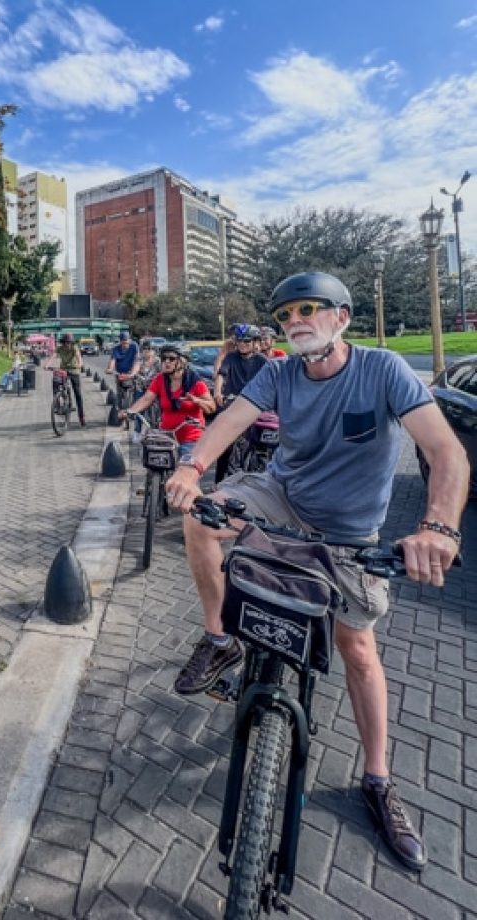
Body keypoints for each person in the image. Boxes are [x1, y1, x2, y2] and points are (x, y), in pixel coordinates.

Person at [164, 271, 469, 873]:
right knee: (201, 521)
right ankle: (219, 638)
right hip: (283, 502)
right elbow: (233, 420)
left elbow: (445, 451)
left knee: (357, 649)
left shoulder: (383, 370)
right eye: (285, 315)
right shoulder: (279, 372)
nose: (296, 320)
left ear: (341, 317)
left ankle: (379, 781)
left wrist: (437, 525)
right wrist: (192, 466)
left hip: (351, 534)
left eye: (309, 308)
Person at [120, 343, 215, 460]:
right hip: (166, 435)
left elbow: (211, 407)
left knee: (185, 472)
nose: (167, 362)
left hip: (191, 438)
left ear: (182, 361)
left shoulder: (195, 382)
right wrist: (129, 411)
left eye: (172, 359)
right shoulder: (160, 379)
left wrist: (197, 400)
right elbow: (146, 398)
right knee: (153, 465)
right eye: (164, 359)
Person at [212, 324, 268, 483]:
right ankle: (218, 482)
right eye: (240, 341)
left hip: (255, 406)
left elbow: (271, 381)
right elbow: (222, 374)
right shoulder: (231, 357)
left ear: (255, 342)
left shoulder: (261, 360)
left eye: (247, 341)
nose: (243, 344)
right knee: (225, 446)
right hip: (233, 404)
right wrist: (217, 392)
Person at [48, 333, 85, 426]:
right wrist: (47, 365)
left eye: (69, 342)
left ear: (72, 343)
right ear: (63, 342)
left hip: (74, 370)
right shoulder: (60, 348)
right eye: (65, 342)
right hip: (63, 370)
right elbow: (53, 356)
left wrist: (80, 364)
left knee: (78, 394)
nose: (67, 344)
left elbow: (78, 357)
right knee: (55, 382)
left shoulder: (74, 348)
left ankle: (81, 417)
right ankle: (57, 405)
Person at [132, 340, 162, 439]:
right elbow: (135, 368)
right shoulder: (139, 359)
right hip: (141, 387)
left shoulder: (157, 361)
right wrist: (132, 374)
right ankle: (137, 431)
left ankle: (157, 429)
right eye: (145, 349)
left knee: (159, 409)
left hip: (154, 388)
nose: (148, 351)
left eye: (150, 349)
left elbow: (162, 372)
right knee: (139, 409)